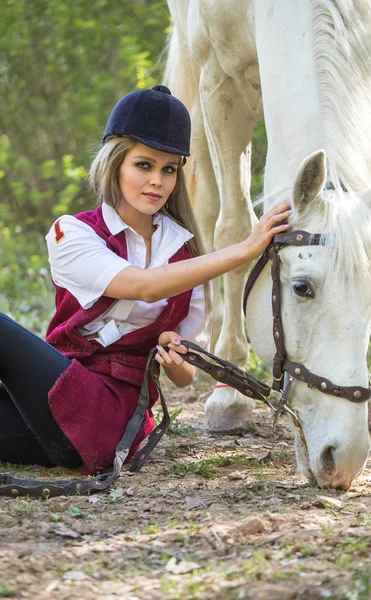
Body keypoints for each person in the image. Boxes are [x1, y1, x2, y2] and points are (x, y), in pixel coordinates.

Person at [0, 85, 291, 474]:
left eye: (168, 169)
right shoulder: (72, 233)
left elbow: (185, 378)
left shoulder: (186, 257)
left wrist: (174, 359)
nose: (157, 180)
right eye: (144, 165)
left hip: (114, 422)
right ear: (115, 163)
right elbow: (141, 285)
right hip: (55, 407)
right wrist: (244, 248)